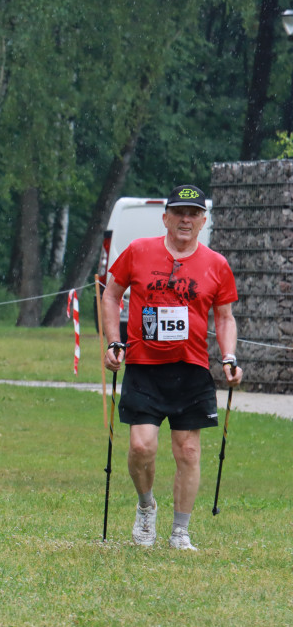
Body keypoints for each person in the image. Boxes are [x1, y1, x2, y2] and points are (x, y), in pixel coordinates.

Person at [103, 184, 243, 551]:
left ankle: (180, 531)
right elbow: (111, 293)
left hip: (191, 368)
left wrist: (229, 357)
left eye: (193, 213)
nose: (186, 219)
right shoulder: (138, 251)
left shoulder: (216, 264)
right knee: (141, 446)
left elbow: (225, 317)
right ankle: (146, 506)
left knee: (188, 451)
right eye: (179, 212)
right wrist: (113, 342)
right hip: (145, 366)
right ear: (165, 218)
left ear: (203, 221)